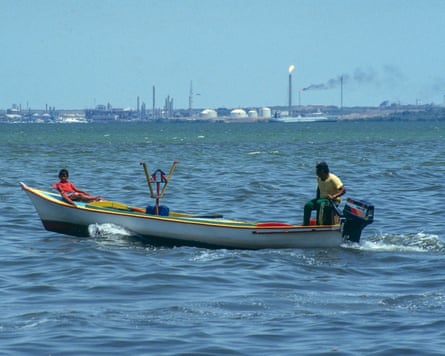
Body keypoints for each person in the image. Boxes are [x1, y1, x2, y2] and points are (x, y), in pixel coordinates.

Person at [303, 161, 346, 225]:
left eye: (317, 170)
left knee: (321, 204)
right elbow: (319, 188)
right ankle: (305, 225)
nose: (316, 172)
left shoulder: (333, 179)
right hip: (321, 200)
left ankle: (319, 225)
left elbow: (343, 190)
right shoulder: (319, 178)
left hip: (333, 201)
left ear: (322, 170)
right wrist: (317, 198)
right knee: (308, 205)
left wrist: (333, 196)